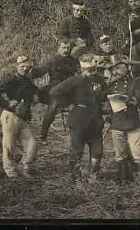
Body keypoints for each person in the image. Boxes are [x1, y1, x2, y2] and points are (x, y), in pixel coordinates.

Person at [50, 54, 109, 185]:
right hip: (79, 119)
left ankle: (93, 177)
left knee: (98, 150)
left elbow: (105, 94)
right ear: (82, 69)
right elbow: (55, 91)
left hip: (95, 119)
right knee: (77, 150)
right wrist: (68, 104)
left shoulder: (100, 81)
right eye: (89, 70)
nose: (92, 72)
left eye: (94, 69)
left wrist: (105, 105)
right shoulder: (74, 80)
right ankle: (77, 179)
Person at [0, 56, 40, 178]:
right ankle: (11, 172)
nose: (24, 69)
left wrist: (36, 96)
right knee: (9, 145)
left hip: (24, 118)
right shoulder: (12, 81)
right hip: (11, 116)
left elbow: (37, 92)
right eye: (22, 66)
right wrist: (7, 104)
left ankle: (24, 167)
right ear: (17, 66)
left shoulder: (28, 81)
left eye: (27, 67)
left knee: (32, 144)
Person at [106, 62, 140, 186]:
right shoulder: (110, 84)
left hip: (132, 122)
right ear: (114, 70)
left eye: (123, 67)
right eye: (118, 68)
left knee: (137, 153)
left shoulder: (134, 82)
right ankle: (123, 179)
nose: (121, 70)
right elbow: (103, 99)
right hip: (117, 123)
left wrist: (131, 100)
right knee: (120, 154)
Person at [33, 39, 80, 143]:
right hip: (54, 89)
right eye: (63, 47)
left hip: (69, 92)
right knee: (48, 102)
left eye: (68, 48)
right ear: (58, 47)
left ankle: (80, 135)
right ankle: (40, 134)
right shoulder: (52, 60)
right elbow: (41, 71)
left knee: (56, 104)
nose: (66, 50)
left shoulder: (74, 61)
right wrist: (31, 71)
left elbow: (81, 73)